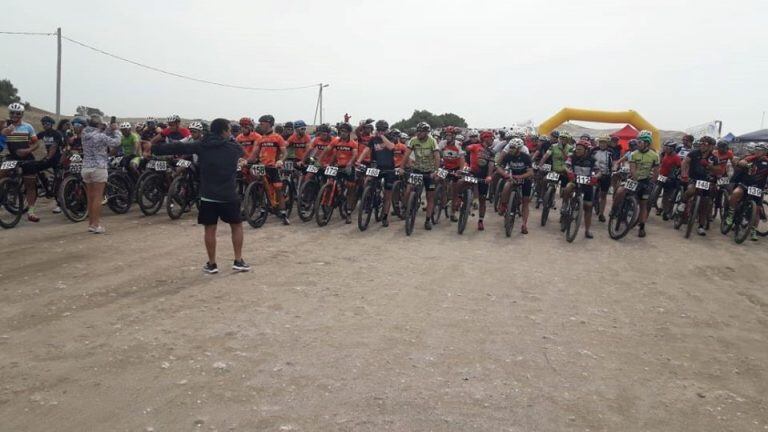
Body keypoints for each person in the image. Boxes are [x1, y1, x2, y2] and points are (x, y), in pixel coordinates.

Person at [152, 118, 250, 273]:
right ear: (224, 131)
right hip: (228, 195)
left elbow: (179, 146)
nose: (230, 132)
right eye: (229, 130)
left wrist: (154, 148)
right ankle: (238, 260)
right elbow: (242, 152)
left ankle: (212, 264)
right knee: (236, 226)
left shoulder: (202, 145)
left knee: (210, 229)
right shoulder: (233, 148)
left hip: (208, 195)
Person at [81, 115, 121, 233]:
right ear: (99, 125)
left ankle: (90, 224)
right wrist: (116, 130)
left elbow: (97, 131)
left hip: (86, 167)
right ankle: (96, 225)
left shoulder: (84, 133)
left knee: (90, 197)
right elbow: (116, 142)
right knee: (98, 198)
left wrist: (108, 128)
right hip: (99, 167)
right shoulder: (101, 136)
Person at [1, 103, 41, 222]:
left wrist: (27, 150)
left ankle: (31, 212)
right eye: (12, 113)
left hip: (27, 157)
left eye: (17, 113)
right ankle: (6, 194)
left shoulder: (28, 127)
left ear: (22, 114)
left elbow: (36, 143)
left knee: (30, 184)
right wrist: (5, 131)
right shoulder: (4, 126)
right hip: (12, 157)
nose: (14, 115)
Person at [400, 121, 440, 230]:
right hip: (417, 170)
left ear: (427, 132)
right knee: (408, 189)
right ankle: (405, 208)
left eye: (421, 131)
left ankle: (427, 220)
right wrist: (401, 168)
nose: (418, 133)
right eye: (418, 131)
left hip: (429, 171)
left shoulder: (432, 141)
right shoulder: (413, 140)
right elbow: (406, 155)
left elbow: (437, 157)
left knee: (430, 196)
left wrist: (436, 171)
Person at [251, 114, 290, 225]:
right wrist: (246, 161)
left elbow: (285, 153)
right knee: (260, 187)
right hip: (262, 166)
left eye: (262, 123)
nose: (260, 125)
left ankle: (283, 213)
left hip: (273, 166)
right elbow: (254, 154)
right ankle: (263, 209)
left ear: (269, 123)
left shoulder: (277, 137)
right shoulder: (261, 138)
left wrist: (280, 161)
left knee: (278, 189)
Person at [725, 143, 768, 241]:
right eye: (756, 149)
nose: (758, 151)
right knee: (735, 193)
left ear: (765, 152)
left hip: (758, 188)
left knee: (757, 209)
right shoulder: (751, 158)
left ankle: (753, 230)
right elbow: (741, 161)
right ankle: (731, 215)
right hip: (745, 184)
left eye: (760, 150)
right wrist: (742, 163)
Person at [321, 122, 358, 223]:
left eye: (345, 132)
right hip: (337, 167)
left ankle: (349, 212)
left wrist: (350, 164)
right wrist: (319, 161)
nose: (343, 133)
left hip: (348, 167)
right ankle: (327, 207)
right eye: (341, 131)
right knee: (330, 184)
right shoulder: (336, 141)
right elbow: (327, 150)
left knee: (350, 188)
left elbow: (354, 155)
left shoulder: (353, 143)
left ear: (349, 133)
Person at [681, 135, 717, 236]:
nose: (702, 145)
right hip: (693, 178)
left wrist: (710, 166)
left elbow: (719, 170)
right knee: (691, 191)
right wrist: (684, 174)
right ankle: (683, 202)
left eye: (705, 143)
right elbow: (685, 162)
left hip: (706, 181)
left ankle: (701, 226)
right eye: (701, 143)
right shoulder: (694, 153)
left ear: (710, 146)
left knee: (704, 204)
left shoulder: (713, 158)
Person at [496, 138, 533, 234]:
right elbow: (499, 166)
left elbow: (530, 172)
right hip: (512, 177)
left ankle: (524, 225)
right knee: (506, 186)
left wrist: (520, 176)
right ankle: (503, 205)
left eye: (513, 148)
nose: (511, 149)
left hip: (525, 178)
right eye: (510, 147)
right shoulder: (508, 156)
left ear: (519, 149)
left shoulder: (526, 157)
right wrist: (505, 174)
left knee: (525, 201)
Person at [563, 139, 597, 238]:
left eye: (580, 149)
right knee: (567, 188)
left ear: (586, 150)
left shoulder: (592, 159)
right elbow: (566, 165)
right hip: (575, 181)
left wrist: (596, 177)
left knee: (588, 207)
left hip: (587, 184)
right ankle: (565, 205)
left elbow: (598, 171)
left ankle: (587, 230)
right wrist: (569, 171)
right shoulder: (571, 157)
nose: (577, 151)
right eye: (576, 149)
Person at [463, 130, 496, 231]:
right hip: (472, 172)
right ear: (486, 138)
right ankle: (461, 200)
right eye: (491, 138)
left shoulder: (491, 152)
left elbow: (491, 164)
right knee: (462, 182)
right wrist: (467, 146)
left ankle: (480, 220)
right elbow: (467, 148)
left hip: (484, 176)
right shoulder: (475, 146)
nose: (493, 140)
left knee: (482, 199)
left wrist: (489, 176)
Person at [628, 132, 659, 237]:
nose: (638, 143)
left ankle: (641, 227)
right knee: (621, 192)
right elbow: (632, 169)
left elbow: (656, 171)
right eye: (638, 141)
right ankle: (616, 211)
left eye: (640, 141)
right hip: (633, 179)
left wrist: (652, 183)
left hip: (645, 181)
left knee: (643, 204)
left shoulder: (654, 156)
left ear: (647, 143)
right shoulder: (633, 154)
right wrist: (635, 180)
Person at [36, 116, 65, 213]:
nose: (45, 125)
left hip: (58, 159)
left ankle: (59, 205)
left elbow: (54, 146)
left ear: (51, 124)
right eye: (43, 124)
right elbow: (33, 139)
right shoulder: (43, 134)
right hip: (49, 157)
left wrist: (48, 157)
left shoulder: (56, 133)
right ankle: (45, 185)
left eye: (47, 123)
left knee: (58, 181)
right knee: (36, 167)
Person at [657, 140, 682, 220]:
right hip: (661, 175)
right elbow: (660, 164)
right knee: (659, 192)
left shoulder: (676, 157)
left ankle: (666, 211)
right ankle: (660, 207)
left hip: (670, 178)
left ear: (672, 149)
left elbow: (679, 168)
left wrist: (673, 176)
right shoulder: (664, 154)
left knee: (668, 195)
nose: (665, 149)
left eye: (667, 148)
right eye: (665, 147)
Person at [592, 135, 614, 222]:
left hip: (606, 175)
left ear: (607, 143)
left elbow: (615, 162)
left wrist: (615, 168)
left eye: (604, 142)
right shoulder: (594, 150)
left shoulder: (611, 152)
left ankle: (601, 214)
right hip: (594, 173)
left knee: (603, 195)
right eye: (601, 142)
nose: (602, 144)